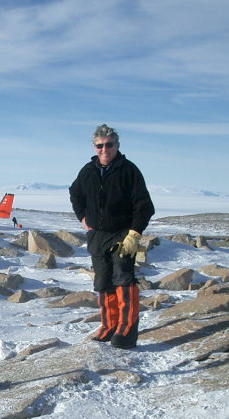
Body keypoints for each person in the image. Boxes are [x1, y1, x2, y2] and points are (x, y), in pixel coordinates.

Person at [69, 124, 155, 349]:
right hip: (97, 236)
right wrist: (83, 217)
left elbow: (144, 205)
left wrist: (134, 234)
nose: (104, 149)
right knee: (103, 282)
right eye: (100, 145)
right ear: (94, 147)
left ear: (117, 145)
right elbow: (75, 192)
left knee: (123, 280)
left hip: (121, 235)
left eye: (109, 144)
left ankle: (126, 331)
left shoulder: (128, 170)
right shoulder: (88, 170)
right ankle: (109, 325)